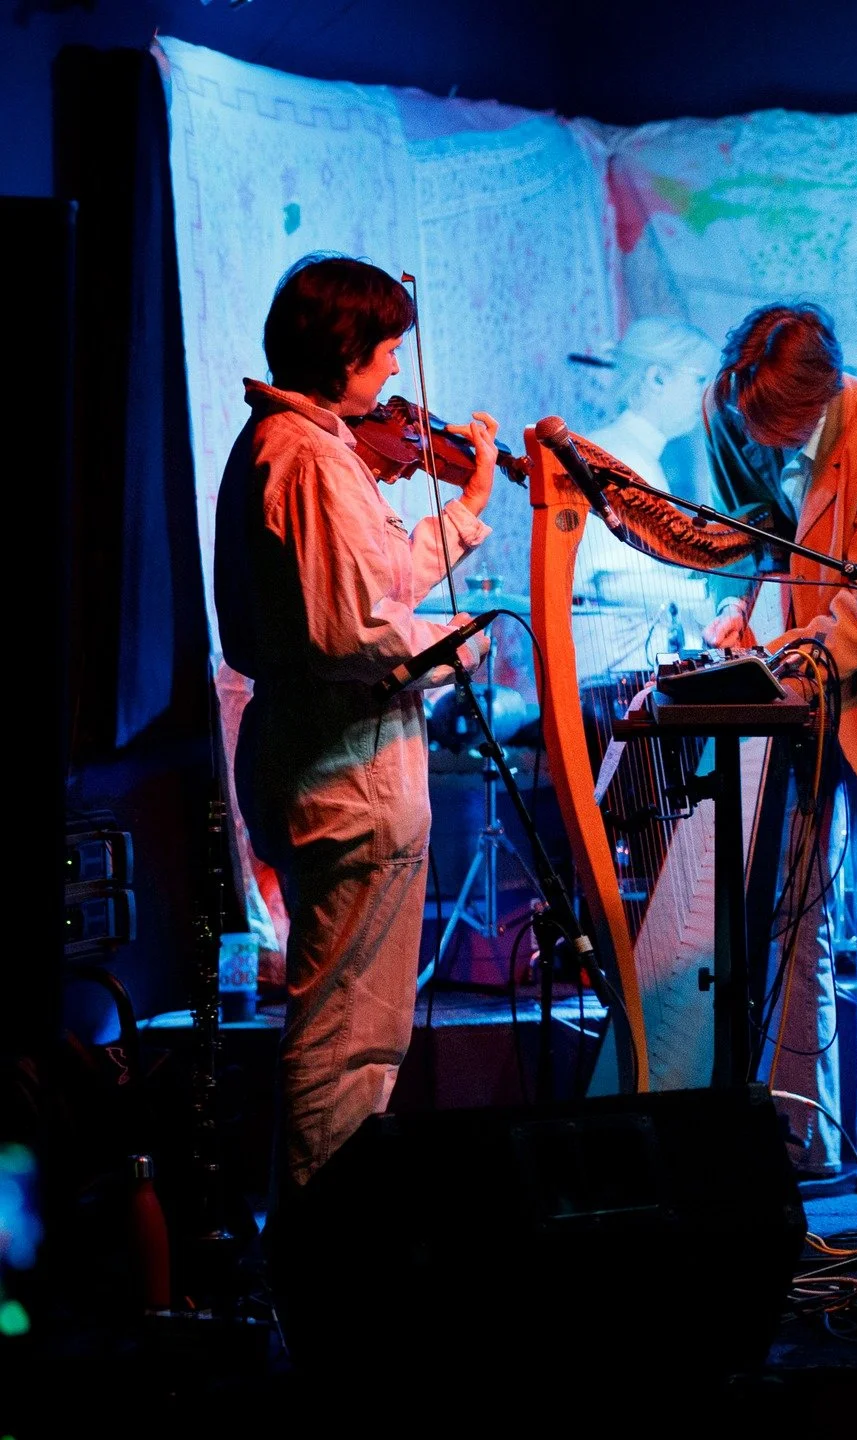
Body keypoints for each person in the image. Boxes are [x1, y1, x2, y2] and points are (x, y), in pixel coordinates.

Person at [213, 255, 498, 1190]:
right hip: (348, 772)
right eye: (384, 352)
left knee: (359, 1039)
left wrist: (464, 513)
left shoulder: (302, 449)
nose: (391, 374)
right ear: (342, 351)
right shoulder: (307, 459)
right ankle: (323, 1269)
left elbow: (364, 584)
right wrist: (462, 642)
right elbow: (358, 632)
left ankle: (328, 1259)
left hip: (341, 761)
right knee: (346, 1043)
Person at [701, 304, 857, 1190]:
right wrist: (739, 606)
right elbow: (754, 534)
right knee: (793, 914)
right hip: (794, 686)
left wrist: (772, 661)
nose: (757, 436)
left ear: (819, 399)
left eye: (775, 425)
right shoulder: (735, 406)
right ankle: (800, 1137)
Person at [572, 315, 724, 677]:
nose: (707, 395)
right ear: (657, 378)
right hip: (614, 668)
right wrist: (713, 598)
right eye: (699, 379)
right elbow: (614, 581)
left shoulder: (642, 457)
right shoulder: (613, 454)